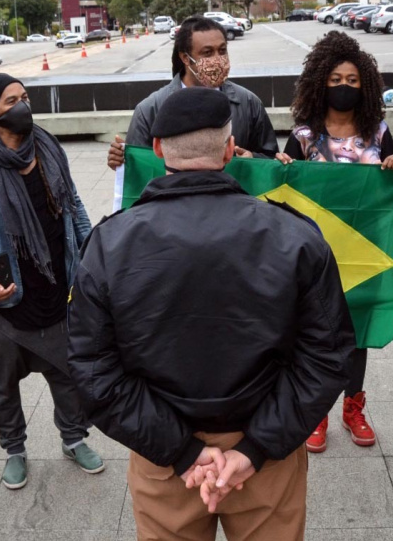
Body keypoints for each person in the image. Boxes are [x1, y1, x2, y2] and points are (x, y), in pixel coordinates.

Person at [68, 87, 355, 540]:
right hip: (267, 457)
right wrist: (255, 449)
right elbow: (327, 355)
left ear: (159, 148)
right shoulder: (294, 236)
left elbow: (92, 369)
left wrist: (182, 452)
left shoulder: (109, 244)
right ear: (229, 148)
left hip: (164, 461)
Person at [0, 71, 105, 490]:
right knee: (3, 383)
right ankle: (14, 448)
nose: (23, 107)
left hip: (58, 283)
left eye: (25, 97)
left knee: (67, 373)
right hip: (7, 291)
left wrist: (90, 254)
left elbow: (73, 205)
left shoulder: (49, 147)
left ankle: (73, 438)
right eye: (10, 101)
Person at [272, 31, 393, 454]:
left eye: (352, 80)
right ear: (319, 83)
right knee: (311, 332)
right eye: (335, 79)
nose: (343, 87)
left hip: (364, 254)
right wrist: (284, 165)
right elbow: (284, 188)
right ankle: (316, 411)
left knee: (357, 333)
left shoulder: (379, 133)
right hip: (313, 254)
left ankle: (353, 407)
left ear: (365, 87)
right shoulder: (304, 136)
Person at [106, 16, 278, 171]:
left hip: (233, 203)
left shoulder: (248, 103)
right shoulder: (150, 109)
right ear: (186, 58)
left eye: (222, 50)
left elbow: (271, 158)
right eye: (207, 53)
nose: (218, 59)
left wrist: (253, 160)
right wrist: (123, 161)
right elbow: (138, 175)